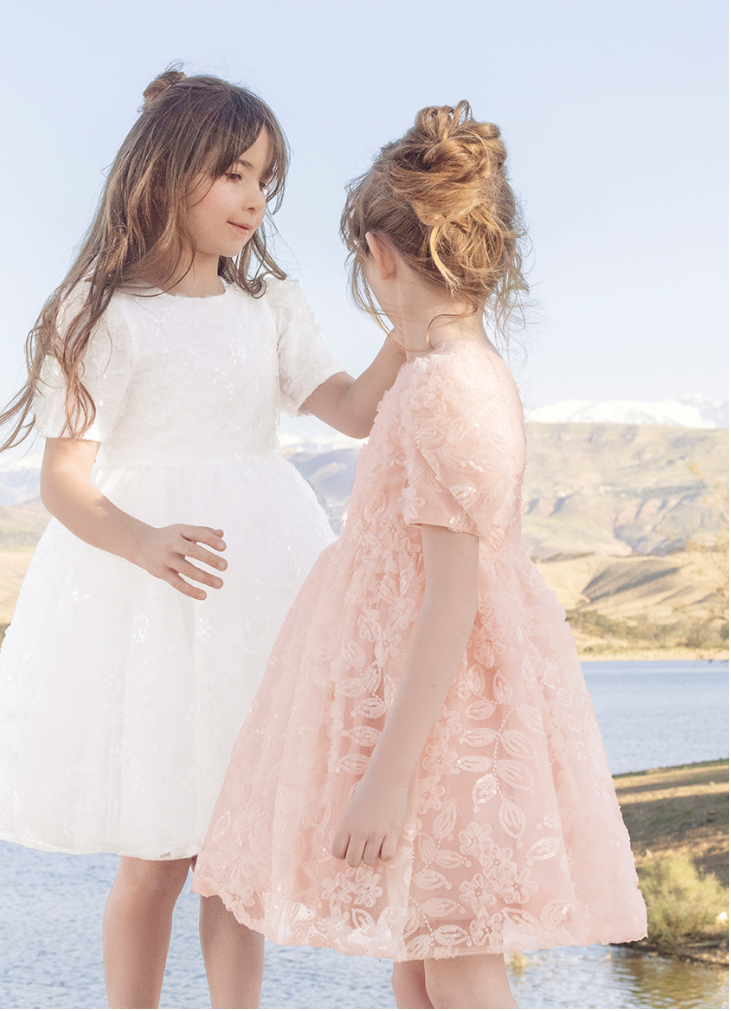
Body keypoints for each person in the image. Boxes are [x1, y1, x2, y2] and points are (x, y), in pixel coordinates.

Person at [0, 68, 405, 1009]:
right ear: (165, 174)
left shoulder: (269, 306)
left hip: (262, 581)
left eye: (264, 179)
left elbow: (354, 411)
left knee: (236, 849)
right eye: (232, 173)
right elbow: (64, 480)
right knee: (156, 854)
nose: (253, 198)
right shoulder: (101, 314)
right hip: (151, 593)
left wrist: (408, 329)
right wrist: (142, 542)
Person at [193, 102, 648, 1009]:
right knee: (419, 958)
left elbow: (452, 598)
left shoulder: (447, 388)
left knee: (457, 956)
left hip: (443, 726)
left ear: (379, 254)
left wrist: (386, 777)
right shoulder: (447, 368)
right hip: (430, 708)